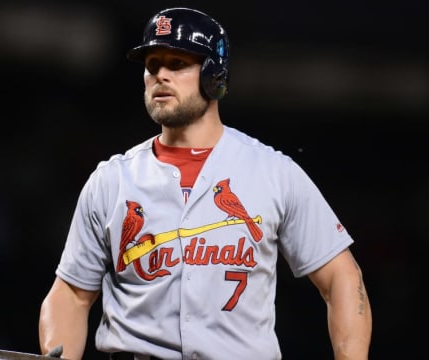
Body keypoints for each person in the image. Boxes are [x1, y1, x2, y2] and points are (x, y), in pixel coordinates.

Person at [38, 7, 372, 360]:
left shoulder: (273, 172)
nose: (160, 76)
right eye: (152, 65)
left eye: (177, 64)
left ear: (214, 74)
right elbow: (71, 294)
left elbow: (342, 277)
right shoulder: (111, 181)